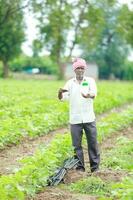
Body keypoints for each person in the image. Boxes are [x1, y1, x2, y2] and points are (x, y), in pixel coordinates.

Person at [58, 58, 100, 173]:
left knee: (92, 143)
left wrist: (88, 95)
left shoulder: (90, 81)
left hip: (89, 118)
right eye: (78, 68)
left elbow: (94, 93)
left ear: (85, 69)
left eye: (82, 68)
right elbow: (63, 98)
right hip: (75, 119)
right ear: (74, 70)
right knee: (76, 146)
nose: (80, 70)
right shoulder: (70, 83)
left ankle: (95, 168)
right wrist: (60, 93)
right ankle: (80, 168)